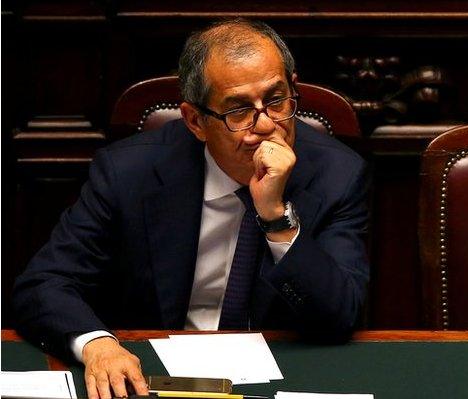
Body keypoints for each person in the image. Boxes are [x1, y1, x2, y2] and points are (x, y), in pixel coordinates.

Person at [12, 18, 370, 399]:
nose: (265, 124)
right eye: (238, 110)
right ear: (195, 120)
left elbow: (340, 316)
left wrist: (276, 216)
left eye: (276, 100)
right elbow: (44, 285)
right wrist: (98, 345)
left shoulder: (337, 175)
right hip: (151, 377)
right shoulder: (129, 173)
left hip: (280, 379)